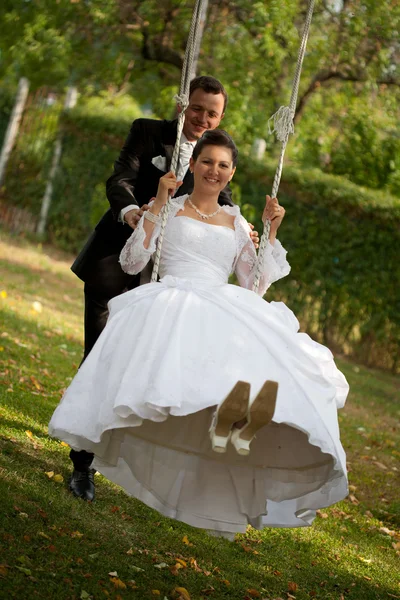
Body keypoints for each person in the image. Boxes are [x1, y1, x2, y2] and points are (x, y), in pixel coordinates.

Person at [49, 130, 349, 535]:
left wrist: (270, 231)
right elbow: (134, 261)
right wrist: (155, 203)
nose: (215, 170)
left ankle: (236, 426)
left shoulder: (239, 222)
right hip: (173, 294)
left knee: (266, 353)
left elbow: (254, 286)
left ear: (232, 173)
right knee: (179, 372)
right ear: (193, 165)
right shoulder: (169, 209)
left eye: (224, 165)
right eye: (207, 162)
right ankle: (119, 444)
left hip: (221, 296)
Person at [68, 76, 259, 500]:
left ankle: (138, 451)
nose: (202, 118)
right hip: (119, 262)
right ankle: (82, 464)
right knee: (99, 358)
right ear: (183, 105)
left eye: (212, 113)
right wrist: (134, 211)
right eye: (197, 109)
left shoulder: (211, 158)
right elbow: (118, 179)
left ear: (220, 117)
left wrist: (248, 231)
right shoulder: (147, 131)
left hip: (170, 277)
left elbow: (218, 201)